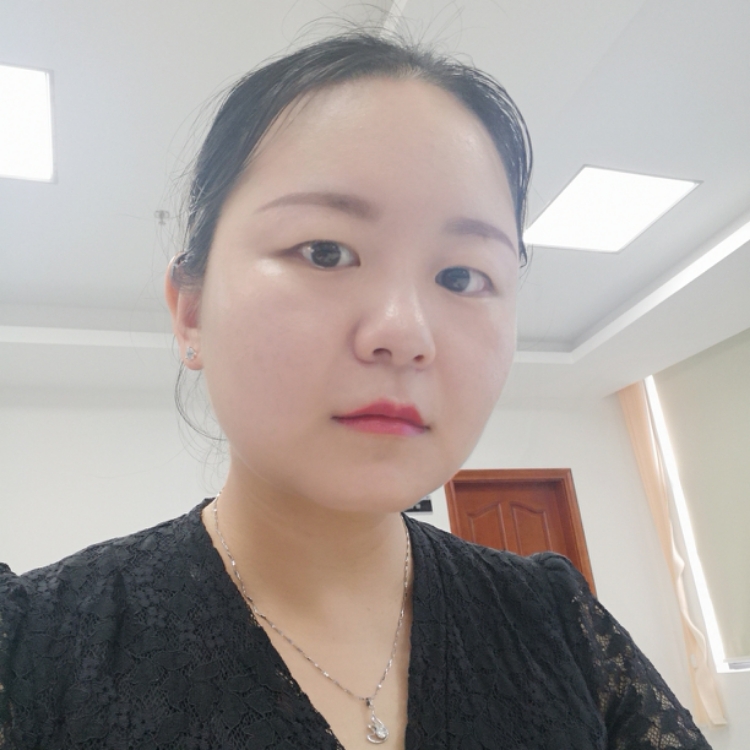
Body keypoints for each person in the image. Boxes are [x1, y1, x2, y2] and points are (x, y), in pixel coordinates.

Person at [0, 32, 711, 750]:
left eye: (461, 276)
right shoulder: (30, 648)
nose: (404, 333)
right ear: (190, 312)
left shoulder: (561, 625)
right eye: (325, 251)